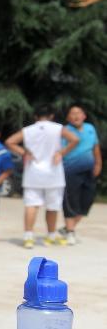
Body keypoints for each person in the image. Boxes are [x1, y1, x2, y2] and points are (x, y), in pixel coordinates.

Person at [6, 105, 79, 249]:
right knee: (52, 206)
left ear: (35, 117)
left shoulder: (28, 130)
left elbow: (9, 141)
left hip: (33, 171)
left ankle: (28, 237)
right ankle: (51, 236)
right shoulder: (57, 128)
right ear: (51, 116)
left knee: (31, 205)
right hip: (54, 172)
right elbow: (75, 139)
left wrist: (24, 152)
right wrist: (61, 153)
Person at [61, 104, 101, 245]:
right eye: (73, 113)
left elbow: (95, 147)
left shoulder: (90, 128)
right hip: (70, 170)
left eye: (79, 113)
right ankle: (70, 232)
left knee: (87, 202)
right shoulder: (64, 131)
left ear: (84, 116)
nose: (76, 115)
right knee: (71, 201)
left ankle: (67, 228)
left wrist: (98, 164)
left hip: (89, 170)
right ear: (68, 117)